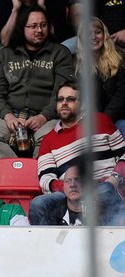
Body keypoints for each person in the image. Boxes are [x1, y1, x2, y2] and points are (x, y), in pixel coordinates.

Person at [0, 5, 73, 160]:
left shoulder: (60, 53)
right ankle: (17, 172)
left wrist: (44, 116)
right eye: (33, 26)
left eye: (43, 25)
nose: (39, 30)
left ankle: (37, 176)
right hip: (12, 117)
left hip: (45, 118)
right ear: (21, 28)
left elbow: (63, 93)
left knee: (49, 136)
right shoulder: (4, 53)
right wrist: (7, 116)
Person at [30, 81, 125, 226]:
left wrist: (114, 179)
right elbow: (45, 179)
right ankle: (47, 248)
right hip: (68, 195)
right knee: (38, 204)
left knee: (104, 192)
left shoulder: (100, 121)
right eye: (61, 99)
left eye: (71, 99)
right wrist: (71, 188)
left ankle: (107, 245)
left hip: (104, 186)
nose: (64, 103)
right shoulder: (48, 140)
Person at [75, 17, 125, 137]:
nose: (93, 37)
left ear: (104, 35)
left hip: (117, 117)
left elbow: (122, 95)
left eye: (98, 32)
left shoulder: (119, 58)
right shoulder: (75, 62)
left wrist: (104, 119)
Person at [0, 0, 73, 46]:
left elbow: (57, 37)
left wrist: (42, 8)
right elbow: (4, 41)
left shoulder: (54, 2)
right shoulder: (7, 2)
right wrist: (15, 10)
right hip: (16, 52)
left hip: (48, 50)